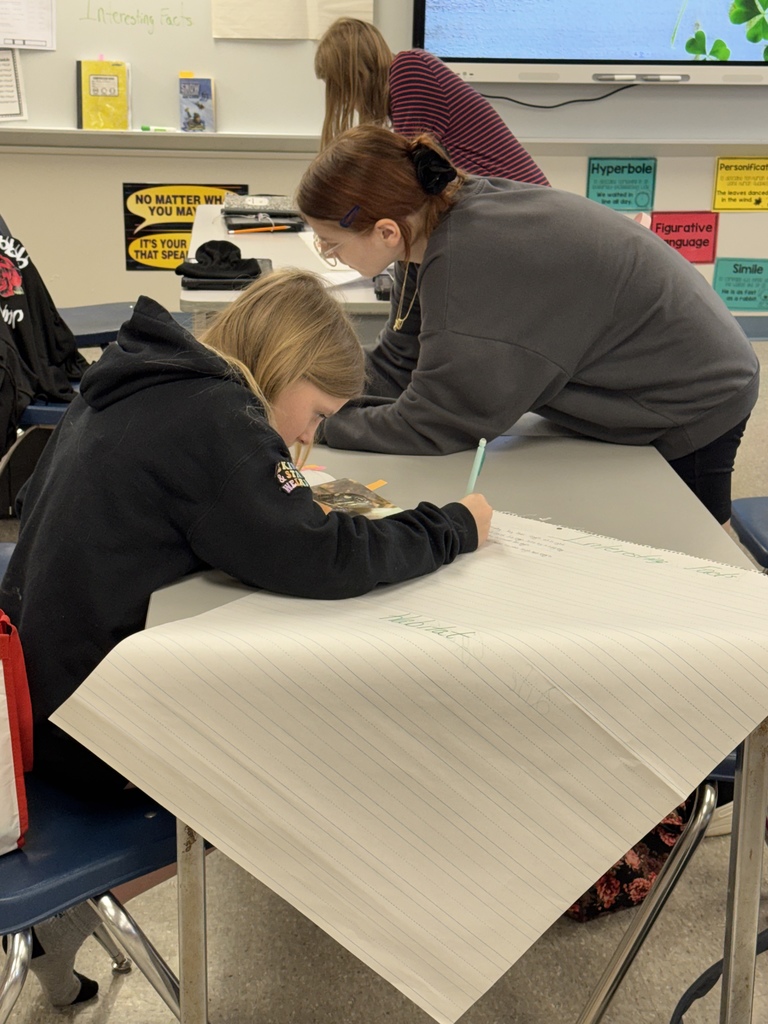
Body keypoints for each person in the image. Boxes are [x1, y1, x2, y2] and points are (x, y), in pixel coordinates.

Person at [0, 268, 491, 1008]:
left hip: (28, 703)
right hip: (88, 740)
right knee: (308, 741)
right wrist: (453, 527)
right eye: (316, 413)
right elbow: (324, 557)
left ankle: (64, 926)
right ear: (285, 367)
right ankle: (382, 933)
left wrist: (271, 491)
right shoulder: (215, 418)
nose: (309, 435)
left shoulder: (142, 376)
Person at [295, 126, 759, 526]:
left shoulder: (470, 259)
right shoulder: (429, 223)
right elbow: (399, 361)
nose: (329, 254)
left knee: (696, 546)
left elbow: (438, 422)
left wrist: (318, 423)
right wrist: (310, 389)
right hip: (653, 359)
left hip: (696, 392)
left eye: (330, 244)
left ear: (386, 231)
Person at [314, 17, 549, 185]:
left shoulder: (409, 69)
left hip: (519, 204)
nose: (345, 102)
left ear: (356, 77)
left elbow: (408, 179)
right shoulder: (404, 83)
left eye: (338, 87)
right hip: (507, 200)